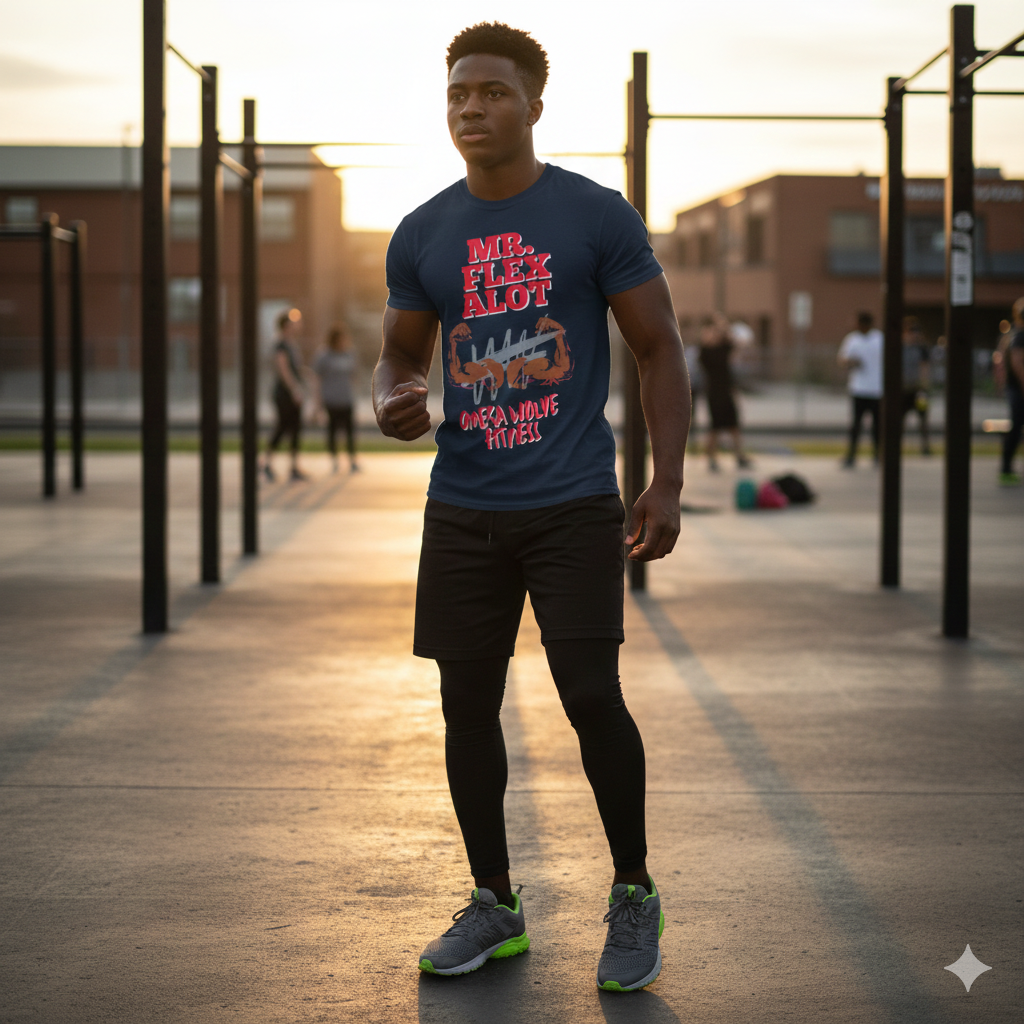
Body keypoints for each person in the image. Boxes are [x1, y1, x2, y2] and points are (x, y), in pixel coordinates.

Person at [372, 22, 691, 992]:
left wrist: (667, 479)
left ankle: (633, 891)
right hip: (462, 505)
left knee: (590, 694)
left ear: (533, 106)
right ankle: (494, 902)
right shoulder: (422, 231)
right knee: (465, 706)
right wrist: (393, 397)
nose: (471, 108)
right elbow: (400, 353)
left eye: (493, 92)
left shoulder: (593, 215)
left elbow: (659, 346)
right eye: (458, 93)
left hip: (571, 500)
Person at [697, 313, 751, 471]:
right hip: (714, 394)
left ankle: (739, 456)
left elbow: (733, 340)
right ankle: (711, 458)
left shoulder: (724, 347)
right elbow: (706, 348)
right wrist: (711, 335)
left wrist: (723, 326)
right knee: (715, 428)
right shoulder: (705, 352)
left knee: (734, 425)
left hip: (726, 392)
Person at [262, 308, 308, 482]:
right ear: (286, 325)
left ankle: (293, 467)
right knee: (282, 428)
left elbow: (295, 368)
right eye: (294, 321)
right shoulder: (280, 344)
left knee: (295, 428)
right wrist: (294, 389)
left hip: (292, 392)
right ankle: (266, 463)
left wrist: (307, 375)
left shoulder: (291, 344)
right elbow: (283, 370)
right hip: (284, 394)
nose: (298, 324)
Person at [838, 311, 883, 467]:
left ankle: (877, 455)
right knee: (856, 425)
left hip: (877, 389)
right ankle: (851, 455)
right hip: (858, 389)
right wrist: (851, 362)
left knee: (877, 425)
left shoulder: (879, 339)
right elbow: (842, 359)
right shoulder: (852, 339)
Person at [314, 324, 360, 473]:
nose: (344, 342)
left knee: (350, 431)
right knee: (332, 431)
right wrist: (318, 403)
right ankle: (334, 460)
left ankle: (352, 460)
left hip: (346, 398)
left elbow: (354, 375)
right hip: (331, 400)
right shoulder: (324, 355)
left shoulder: (349, 354)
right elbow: (317, 379)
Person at [993, 297, 1024, 486]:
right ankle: (1006, 469)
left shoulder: (1011, 334)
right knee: (1016, 428)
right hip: (1018, 389)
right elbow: (1018, 363)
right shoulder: (1019, 336)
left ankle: (1006, 468)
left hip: (1013, 388)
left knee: (1016, 428)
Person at [901, 316, 932, 456]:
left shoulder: (921, 348)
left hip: (918, 390)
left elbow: (925, 367)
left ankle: (925, 447)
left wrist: (924, 387)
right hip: (903, 390)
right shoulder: (901, 348)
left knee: (923, 418)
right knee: (900, 419)